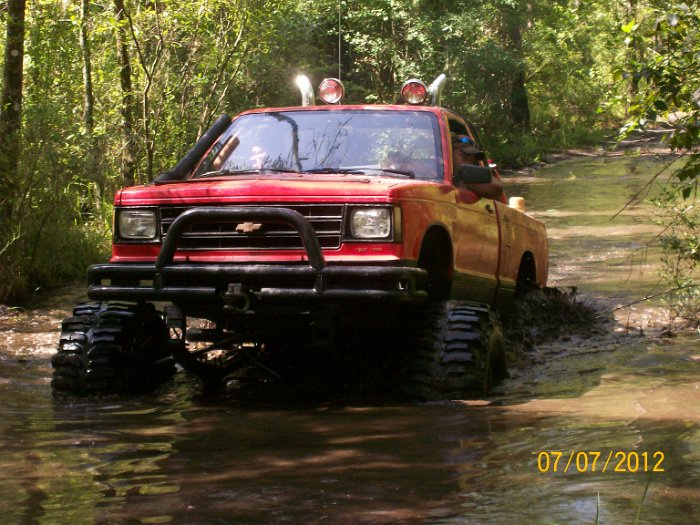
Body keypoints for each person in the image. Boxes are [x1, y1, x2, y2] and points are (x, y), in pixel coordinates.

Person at [451, 134, 505, 202]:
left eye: (472, 160)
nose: (468, 163)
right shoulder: (436, 174)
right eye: (464, 157)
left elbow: (497, 188)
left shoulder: (470, 176)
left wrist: (462, 180)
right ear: (450, 152)